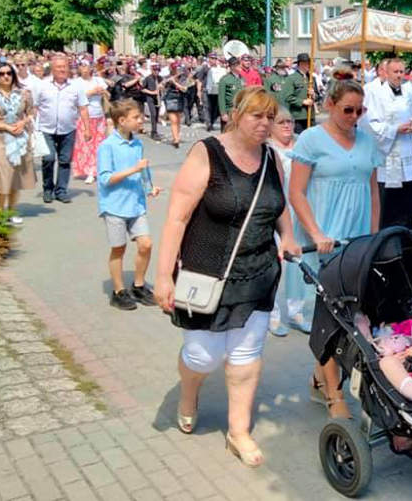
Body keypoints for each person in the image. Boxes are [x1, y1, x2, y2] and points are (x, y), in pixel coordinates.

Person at [154, 88, 299, 468]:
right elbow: (177, 218)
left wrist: (288, 236)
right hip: (207, 275)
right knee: (204, 356)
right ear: (235, 114)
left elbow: (277, 202)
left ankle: (239, 431)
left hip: (258, 273)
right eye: (256, 116)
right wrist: (164, 275)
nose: (265, 124)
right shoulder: (207, 153)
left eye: (270, 117)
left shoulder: (271, 158)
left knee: (245, 357)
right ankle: (190, 390)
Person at [289, 80, 382, 420]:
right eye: (348, 109)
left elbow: (373, 193)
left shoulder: (367, 142)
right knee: (329, 318)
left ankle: (319, 379)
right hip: (324, 240)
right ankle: (335, 396)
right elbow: (297, 192)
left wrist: (374, 238)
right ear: (329, 104)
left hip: (356, 242)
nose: (354, 117)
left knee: (349, 317)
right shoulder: (311, 140)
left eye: (360, 110)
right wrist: (316, 232)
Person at [97, 100, 161, 311]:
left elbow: (143, 170)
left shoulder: (137, 143)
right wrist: (134, 170)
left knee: (146, 244)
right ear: (122, 121)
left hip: (136, 204)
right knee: (119, 248)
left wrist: (150, 187)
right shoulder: (107, 146)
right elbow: (105, 179)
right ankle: (118, 291)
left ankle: (139, 285)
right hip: (114, 205)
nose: (140, 120)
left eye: (140, 117)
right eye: (136, 117)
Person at [363, 57, 412, 229]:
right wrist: (394, 129)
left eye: (401, 72)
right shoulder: (376, 94)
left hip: (407, 152)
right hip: (388, 154)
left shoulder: (410, 92)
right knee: (389, 207)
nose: (399, 75)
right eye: (395, 72)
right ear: (386, 72)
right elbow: (369, 123)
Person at [267, 106, 309, 337]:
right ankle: (272, 315)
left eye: (290, 121)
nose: (287, 126)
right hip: (277, 212)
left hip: (300, 211)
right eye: (281, 122)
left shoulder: (302, 144)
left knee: (299, 264)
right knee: (276, 266)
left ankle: (297, 311)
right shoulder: (268, 149)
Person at [0, 63, 36, 226]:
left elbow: (31, 113)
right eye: (2, 73)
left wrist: (23, 123)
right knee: (3, 172)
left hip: (19, 138)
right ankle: (0, 210)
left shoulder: (24, 93)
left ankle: (11, 209)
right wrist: (6, 126)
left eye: (9, 73)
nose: (6, 76)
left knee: (15, 176)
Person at [34, 57, 91, 204]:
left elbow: (83, 108)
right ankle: (48, 189)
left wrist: (87, 128)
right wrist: (32, 127)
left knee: (65, 161)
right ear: (52, 69)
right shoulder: (42, 85)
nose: (62, 70)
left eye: (65, 67)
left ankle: (61, 190)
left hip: (68, 129)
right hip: (46, 129)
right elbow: (34, 107)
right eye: (59, 67)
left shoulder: (76, 86)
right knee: (48, 158)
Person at [72, 61, 111, 184]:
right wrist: (91, 92)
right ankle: (88, 170)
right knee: (86, 145)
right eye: (81, 66)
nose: (84, 68)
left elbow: (108, 96)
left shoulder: (98, 80)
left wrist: (102, 92)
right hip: (84, 117)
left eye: (86, 65)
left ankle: (95, 170)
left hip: (99, 115)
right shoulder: (76, 82)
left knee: (99, 145)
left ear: (91, 68)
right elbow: (74, 99)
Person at [283, 53, 314, 134]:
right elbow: (288, 97)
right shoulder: (292, 78)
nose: (309, 65)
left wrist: (314, 94)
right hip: (298, 116)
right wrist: (303, 102)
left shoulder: (311, 78)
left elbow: (317, 95)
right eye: (307, 63)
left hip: (310, 115)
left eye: (309, 63)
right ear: (301, 64)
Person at [162, 64, 191, 148]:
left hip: (180, 98)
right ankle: (176, 139)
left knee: (178, 119)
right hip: (170, 99)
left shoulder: (183, 78)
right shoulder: (167, 77)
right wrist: (166, 82)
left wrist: (174, 82)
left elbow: (184, 89)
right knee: (173, 120)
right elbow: (162, 87)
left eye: (179, 69)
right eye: (176, 69)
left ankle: (177, 136)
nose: (178, 71)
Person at [205, 56, 226, 132]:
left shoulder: (221, 69)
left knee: (216, 109)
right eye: (212, 58)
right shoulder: (205, 68)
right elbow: (199, 79)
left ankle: (211, 121)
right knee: (208, 108)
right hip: (207, 90)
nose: (214, 60)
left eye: (215, 59)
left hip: (217, 91)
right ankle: (209, 124)